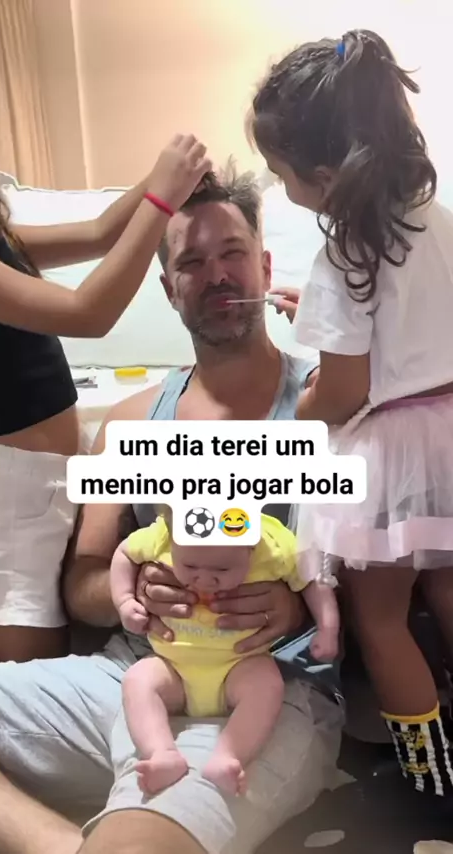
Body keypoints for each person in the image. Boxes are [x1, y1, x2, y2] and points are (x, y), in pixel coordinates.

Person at [0, 165, 343, 854]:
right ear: (168, 288)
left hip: (266, 692)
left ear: (265, 268)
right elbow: (85, 583)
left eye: (232, 253)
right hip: (131, 676)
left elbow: (372, 581)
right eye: (191, 264)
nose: (217, 275)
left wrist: (294, 607)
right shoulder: (130, 422)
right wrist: (133, 593)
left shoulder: (329, 408)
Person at [248, 27, 453, 795]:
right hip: (446, 431)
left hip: (389, 455)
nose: (283, 189)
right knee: (449, 588)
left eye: (282, 175)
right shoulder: (436, 218)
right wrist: (324, 312)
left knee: (382, 619)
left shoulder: (342, 259)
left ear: (326, 177)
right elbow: (410, 322)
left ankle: (431, 780)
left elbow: (344, 392)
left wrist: (303, 404)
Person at [0, 134, 211, 665]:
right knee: (30, 675)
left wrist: (166, 179)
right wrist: (161, 199)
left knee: (7, 657)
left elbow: (100, 232)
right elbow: (88, 313)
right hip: (12, 492)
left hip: (39, 480)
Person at [111, 506, 339, 796]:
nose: (205, 580)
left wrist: (327, 627)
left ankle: (229, 755)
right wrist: (124, 600)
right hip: (172, 667)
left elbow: (312, 578)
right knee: (138, 680)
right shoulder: (162, 534)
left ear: (251, 544)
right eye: (190, 566)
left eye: (222, 570)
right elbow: (125, 553)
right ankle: (161, 753)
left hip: (239, 665)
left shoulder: (274, 545)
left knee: (266, 685)